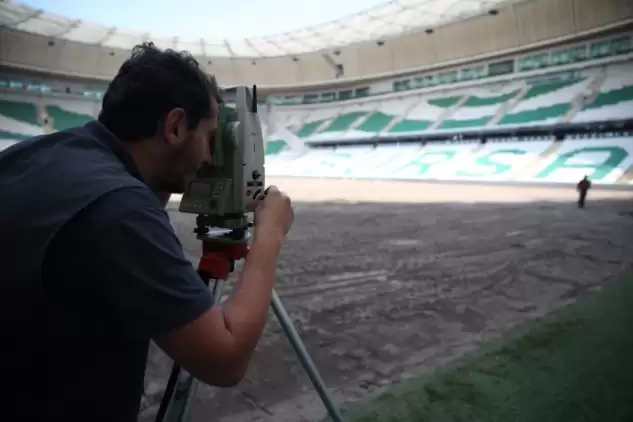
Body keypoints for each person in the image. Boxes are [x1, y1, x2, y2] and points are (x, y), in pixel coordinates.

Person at [0, 42, 294, 422]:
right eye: (207, 137)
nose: (209, 158)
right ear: (174, 126)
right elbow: (225, 358)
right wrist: (269, 232)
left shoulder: (31, 156)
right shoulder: (120, 210)